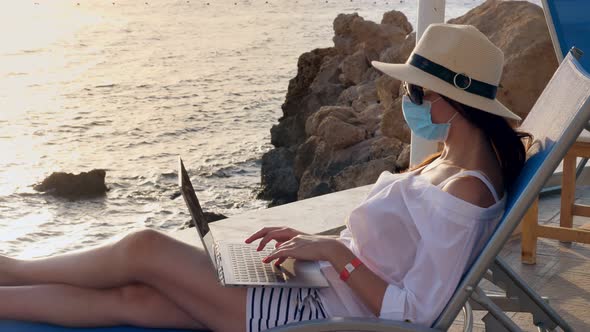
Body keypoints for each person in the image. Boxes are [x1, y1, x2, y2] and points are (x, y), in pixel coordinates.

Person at [0, 24, 532, 331]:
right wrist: (313, 244)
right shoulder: (448, 163)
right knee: (135, 299)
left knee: (143, 248)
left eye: (414, 93)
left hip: (314, 314)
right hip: (312, 289)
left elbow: (418, 314)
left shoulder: (465, 191)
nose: (404, 101)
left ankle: (10, 269)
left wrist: (334, 256)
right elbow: (390, 253)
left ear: (453, 103)